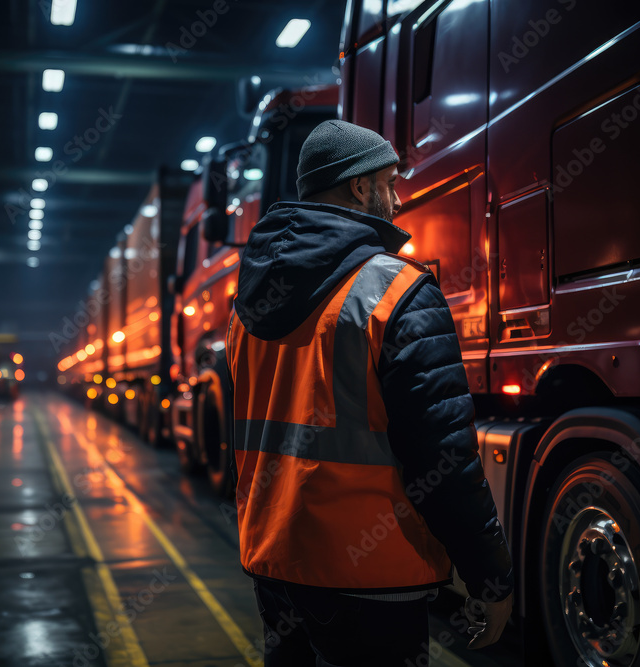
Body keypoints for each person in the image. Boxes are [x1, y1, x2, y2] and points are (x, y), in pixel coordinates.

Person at [227, 120, 514, 666]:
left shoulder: (248, 302)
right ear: (360, 187)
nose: (397, 196)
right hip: (370, 576)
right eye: (390, 181)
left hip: (275, 567)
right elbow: (445, 458)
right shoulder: (397, 291)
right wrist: (491, 578)